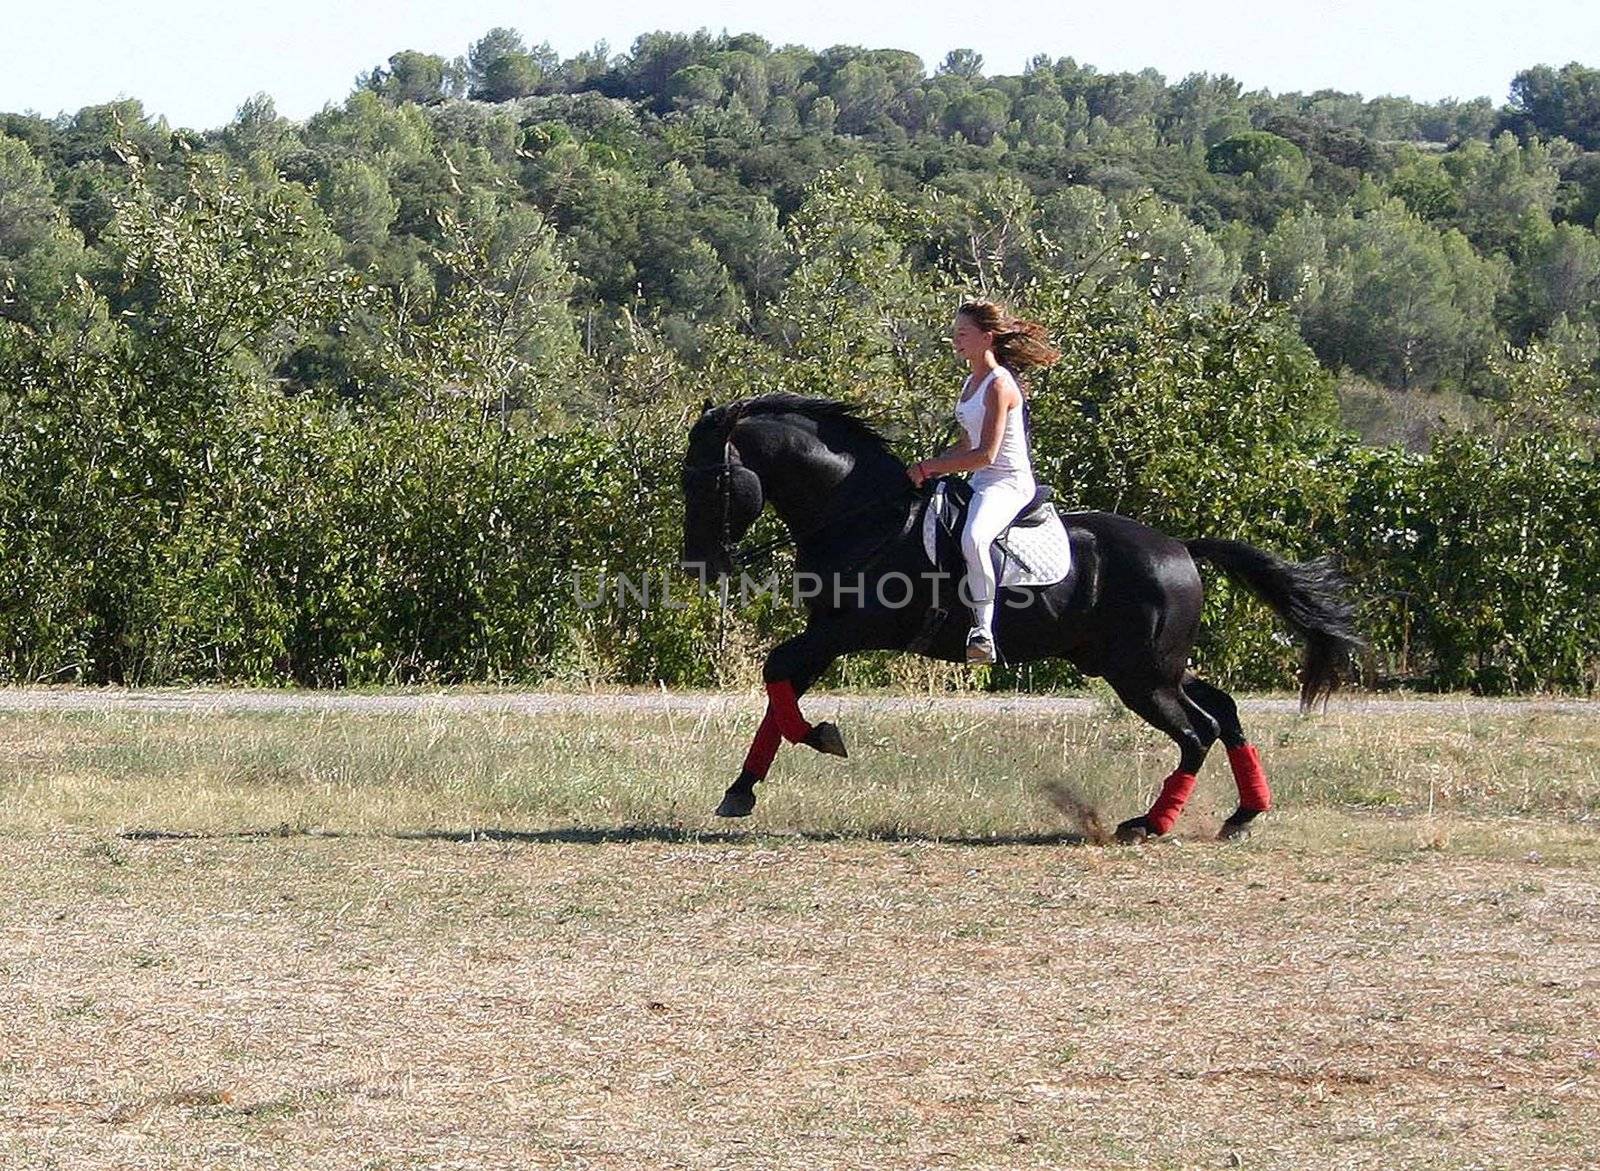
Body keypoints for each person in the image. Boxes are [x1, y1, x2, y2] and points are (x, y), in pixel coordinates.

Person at [907, 300, 1061, 664]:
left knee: (973, 538)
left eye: (963, 333)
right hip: (980, 480)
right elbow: (966, 443)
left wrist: (932, 468)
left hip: (1008, 482)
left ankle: (983, 631)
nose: (955, 339)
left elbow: (987, 454)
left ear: (987, 338)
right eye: (955, 332)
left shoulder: (998, 384)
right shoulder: (970, 380)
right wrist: (929, 464)